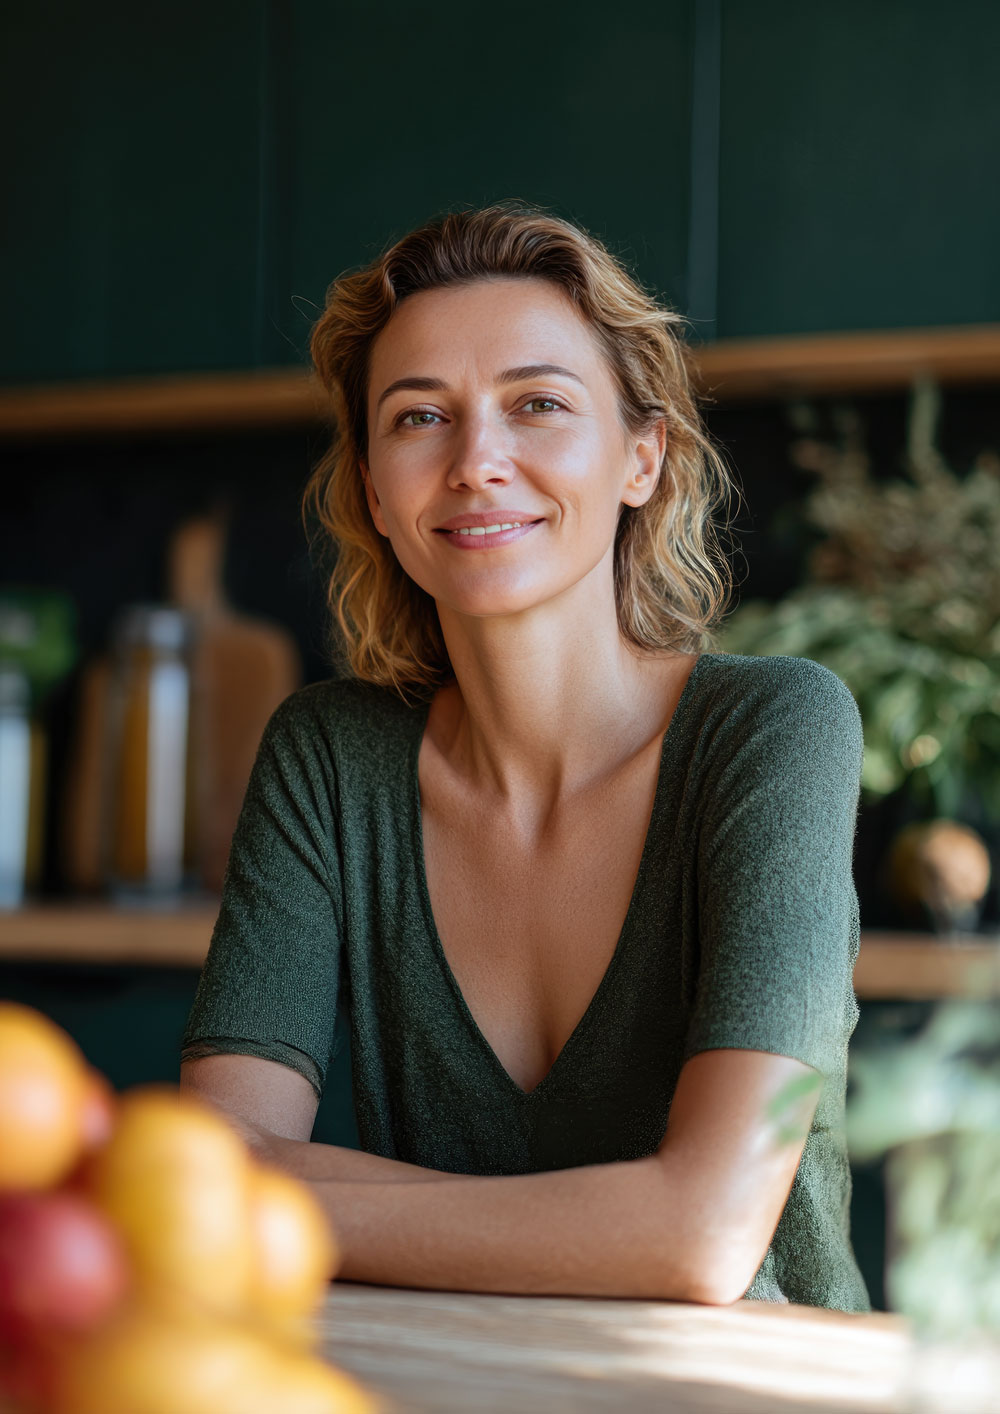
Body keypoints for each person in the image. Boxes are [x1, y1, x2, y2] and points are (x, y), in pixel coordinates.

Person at [180, 202, 871, 1312]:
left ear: (642, 456)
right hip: (438, 1381)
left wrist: (284, 1195)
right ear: (375, 492)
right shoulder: (329, 756)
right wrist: (620, 1223)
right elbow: (204, 1171)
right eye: (419, 418)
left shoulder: (773, 729)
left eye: (538, 404)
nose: (476, 463)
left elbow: (705, 1236)